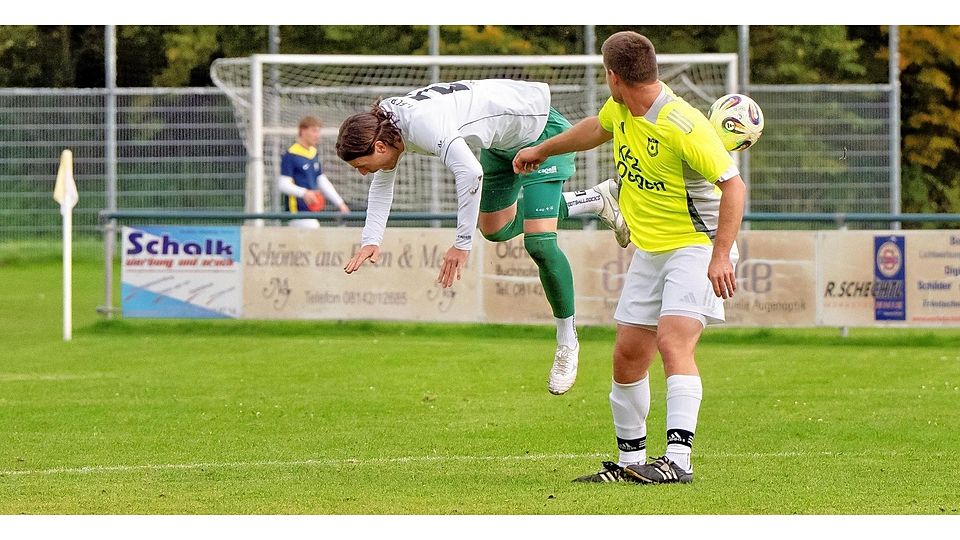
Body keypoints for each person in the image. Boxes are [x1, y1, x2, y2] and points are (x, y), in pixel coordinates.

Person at [514, 31, 745, 484]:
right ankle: (631, 462)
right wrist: (542, 150)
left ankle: (678, 462)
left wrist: (720, 256)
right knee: (628, 355)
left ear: (613, 76)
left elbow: (733, 186)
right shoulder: (620, 109)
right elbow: (594, 130)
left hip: (697, 245)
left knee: (673, 342)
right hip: (652, 248)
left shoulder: (682, 123)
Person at [335, 79, 631, 395]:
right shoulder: (386, 123)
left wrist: (461, 244)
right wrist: (371, 239)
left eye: (362, 166)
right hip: (500, 145)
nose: (363, 173)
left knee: (539, 243)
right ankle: (595, 199)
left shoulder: (419, 125)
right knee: (495, 228)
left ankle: (566, 343)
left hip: (542, 133)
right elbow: (383, 182)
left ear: (379, 148)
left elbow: (470, 172)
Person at [279, 115, 350, 228]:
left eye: (318, 131)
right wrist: (304, 193)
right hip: (298, 213)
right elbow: (283, 184)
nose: (317, 135)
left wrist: (340, 203)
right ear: (302, 130)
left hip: (312, 211)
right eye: (314, 131)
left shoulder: (313, 153)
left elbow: (321, 180)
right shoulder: (291, 155)